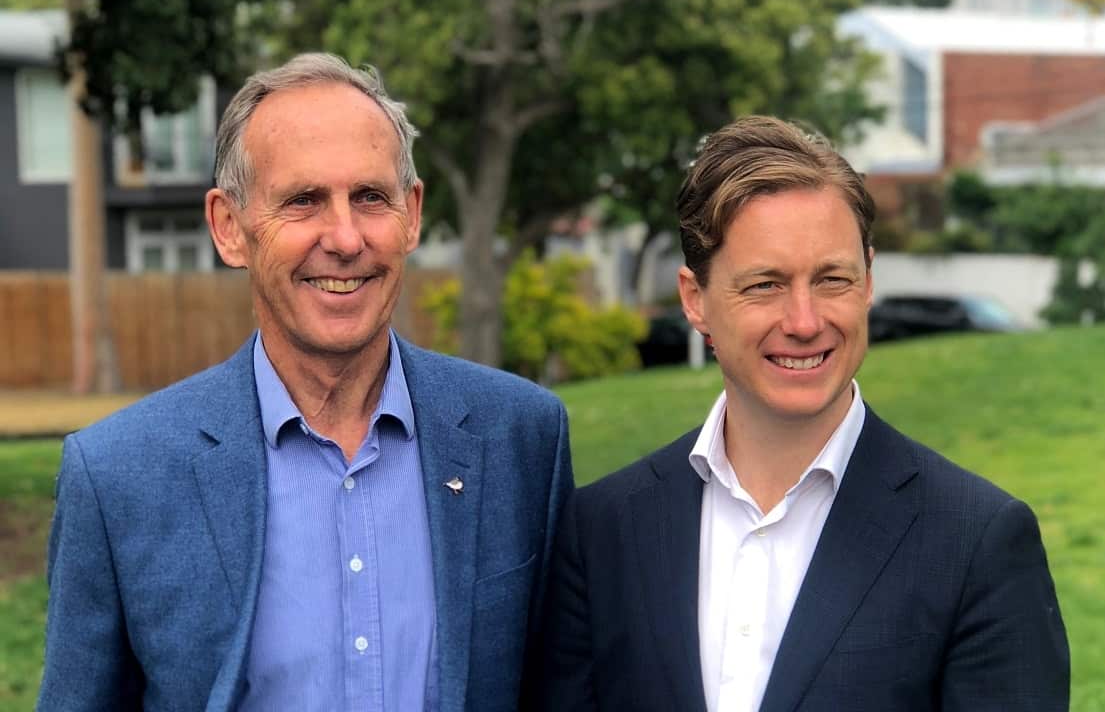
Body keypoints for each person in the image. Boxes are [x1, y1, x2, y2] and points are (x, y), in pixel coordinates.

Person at [37, 52, 572, 712]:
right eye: (303, 200)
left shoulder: (521, 437)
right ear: (229, 228)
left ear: (411, 214)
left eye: (370, 198)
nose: (344, 238)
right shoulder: (118, 475)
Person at [537, 116, 1068, 711]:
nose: (805, 321)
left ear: (868, 282)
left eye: (832, 279)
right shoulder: (602, 531)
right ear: (695, 300)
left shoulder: (976, 541)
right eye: (764, 285)